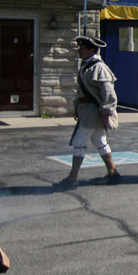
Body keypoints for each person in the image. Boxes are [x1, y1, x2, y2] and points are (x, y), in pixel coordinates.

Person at [54, 36, 120, 189]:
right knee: (100, 142)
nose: (80, 51)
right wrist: (77, 108)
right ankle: (113, 173)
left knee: (79, 142)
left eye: (83, 48)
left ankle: (72, 178)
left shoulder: (99, 67)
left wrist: (106, 112)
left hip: (93, 112)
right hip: (87, 111)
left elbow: (110, 95)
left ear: (92, 50)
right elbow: (81, 92)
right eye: (79, 48)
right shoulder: (87, 65)